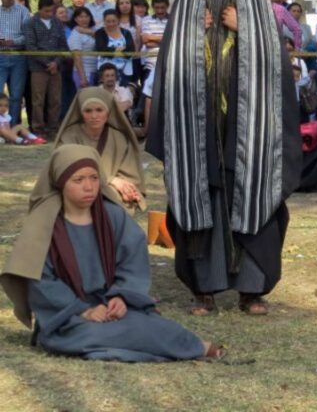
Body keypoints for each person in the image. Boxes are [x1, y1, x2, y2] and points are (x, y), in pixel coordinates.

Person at [146, 0, 301, 316]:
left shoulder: (255, 4)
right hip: (198, 127)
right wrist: (192, 36)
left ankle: (252, 290)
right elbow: (171, 61)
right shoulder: (187, 3)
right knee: (204, 197)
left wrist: (245, 29)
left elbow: (276, 62)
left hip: (249, 126)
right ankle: (205, 288)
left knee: (252, 194)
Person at [0, 145, 221, 362]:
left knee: (145, 325)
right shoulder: (43, 224)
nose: (89, 187)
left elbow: (132, 263)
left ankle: (182, 345)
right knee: (98, 333)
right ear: (60, 182)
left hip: (111, 307)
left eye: (94, 178)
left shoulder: (113, 216)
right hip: (68, 318)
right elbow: (40, 281)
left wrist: (121, 296)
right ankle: (193, 348)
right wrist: (83, 310)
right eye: (78, 180)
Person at [55, 87, 145, 211]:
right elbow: (65, 172)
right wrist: (111, 179)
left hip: (111, 193)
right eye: (88, 111)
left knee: (113, 203)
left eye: (99, 110)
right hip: (78, 191)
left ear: (108, 113)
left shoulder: (119, 138)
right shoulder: (69, 136)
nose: (94, 115)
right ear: (81, 113)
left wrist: (125, 187)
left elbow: (130, 174)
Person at [22, 0, 68, 139]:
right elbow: (31, 47)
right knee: (38, 100)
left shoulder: (57, 23)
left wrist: (56, 62)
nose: (49, 14)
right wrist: (47, 63)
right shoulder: (30, 23)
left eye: (51, 11)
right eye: (46, 11)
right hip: (38, 68)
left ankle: (53, 129)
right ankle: (38, 130)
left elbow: (63, 47)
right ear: (39, 9)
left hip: (56, 68)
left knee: (55, 100)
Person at [0, 0, 31, 126]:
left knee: (16, 95)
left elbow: (27, 36)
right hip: (1, 56)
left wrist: (13, 41)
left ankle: (12, 127)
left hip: (18, 57)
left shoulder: (23, 11)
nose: (5, 1)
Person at [94, 10, 136, 85]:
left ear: (118, 20)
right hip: (105, 71)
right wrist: (118, 49)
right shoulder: (99, 33)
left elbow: (131, 50)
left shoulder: (126, 33)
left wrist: (111, 51)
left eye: (114, 21)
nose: (111, 24)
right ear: (104, 21)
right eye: (108, 21)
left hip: (124, 71)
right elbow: (101, 49)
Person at [67, 7, 97, 88]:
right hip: (84, 73)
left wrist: (89, 32)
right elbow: (77, 57)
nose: (84, 19)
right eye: (81, 17)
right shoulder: (75, 34)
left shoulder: (92, 31)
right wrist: (82, 78)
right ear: (75, 19)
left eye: (87, 16)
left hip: (94, 70)